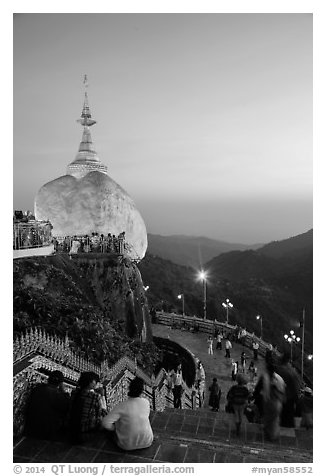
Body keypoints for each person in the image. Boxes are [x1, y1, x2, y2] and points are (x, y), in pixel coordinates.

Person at [102, 377, 153, 451]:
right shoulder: (146, 402)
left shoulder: (122, 405)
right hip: (147, 441)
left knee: (108, 432)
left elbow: (105, 423)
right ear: (142, 391)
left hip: (126, 445)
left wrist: (114, 428)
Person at [24, 370, 70, 440]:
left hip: (30, 426)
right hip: (46, 431)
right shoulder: (58, 395)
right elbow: (66, 407)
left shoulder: (37, 389)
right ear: (60, 383)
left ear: (48, 379)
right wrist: (63, 390)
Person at [253, 351, 286, 441]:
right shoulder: (279, 378)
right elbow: (283, 390)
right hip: (278, 402)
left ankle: (270, 435)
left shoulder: (265, 377)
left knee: (268, 417)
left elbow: (257, 389)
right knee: (274, 419)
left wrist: (254, 396)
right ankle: (272, 434)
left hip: (269, 402)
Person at [69, 371, 104, 443]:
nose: (97, 383)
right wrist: (102, 396)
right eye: (95, 381)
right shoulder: (95, 396)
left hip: (71, 426)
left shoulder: (74, 392)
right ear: (90, 383)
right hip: (86, 428)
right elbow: (99, 413)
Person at [276, 351, 301, 427]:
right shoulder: (292, 372)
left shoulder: (277, 370)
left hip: (278, 397)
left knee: (280, 417)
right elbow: (296, 387)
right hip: (288, 399)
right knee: (288, 419)